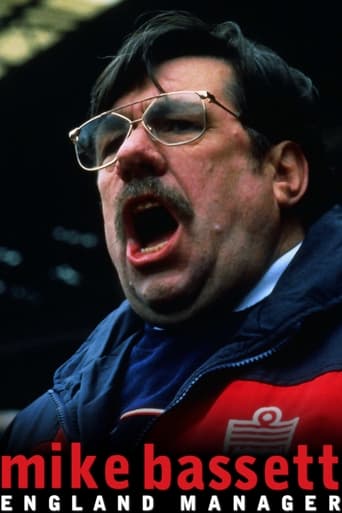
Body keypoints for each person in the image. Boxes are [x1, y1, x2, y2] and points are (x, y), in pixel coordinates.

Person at [2, 10, 342, 457]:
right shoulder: (43, 426)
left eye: (179, 123)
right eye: (107, 142)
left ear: (283, 173)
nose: (128, 154)